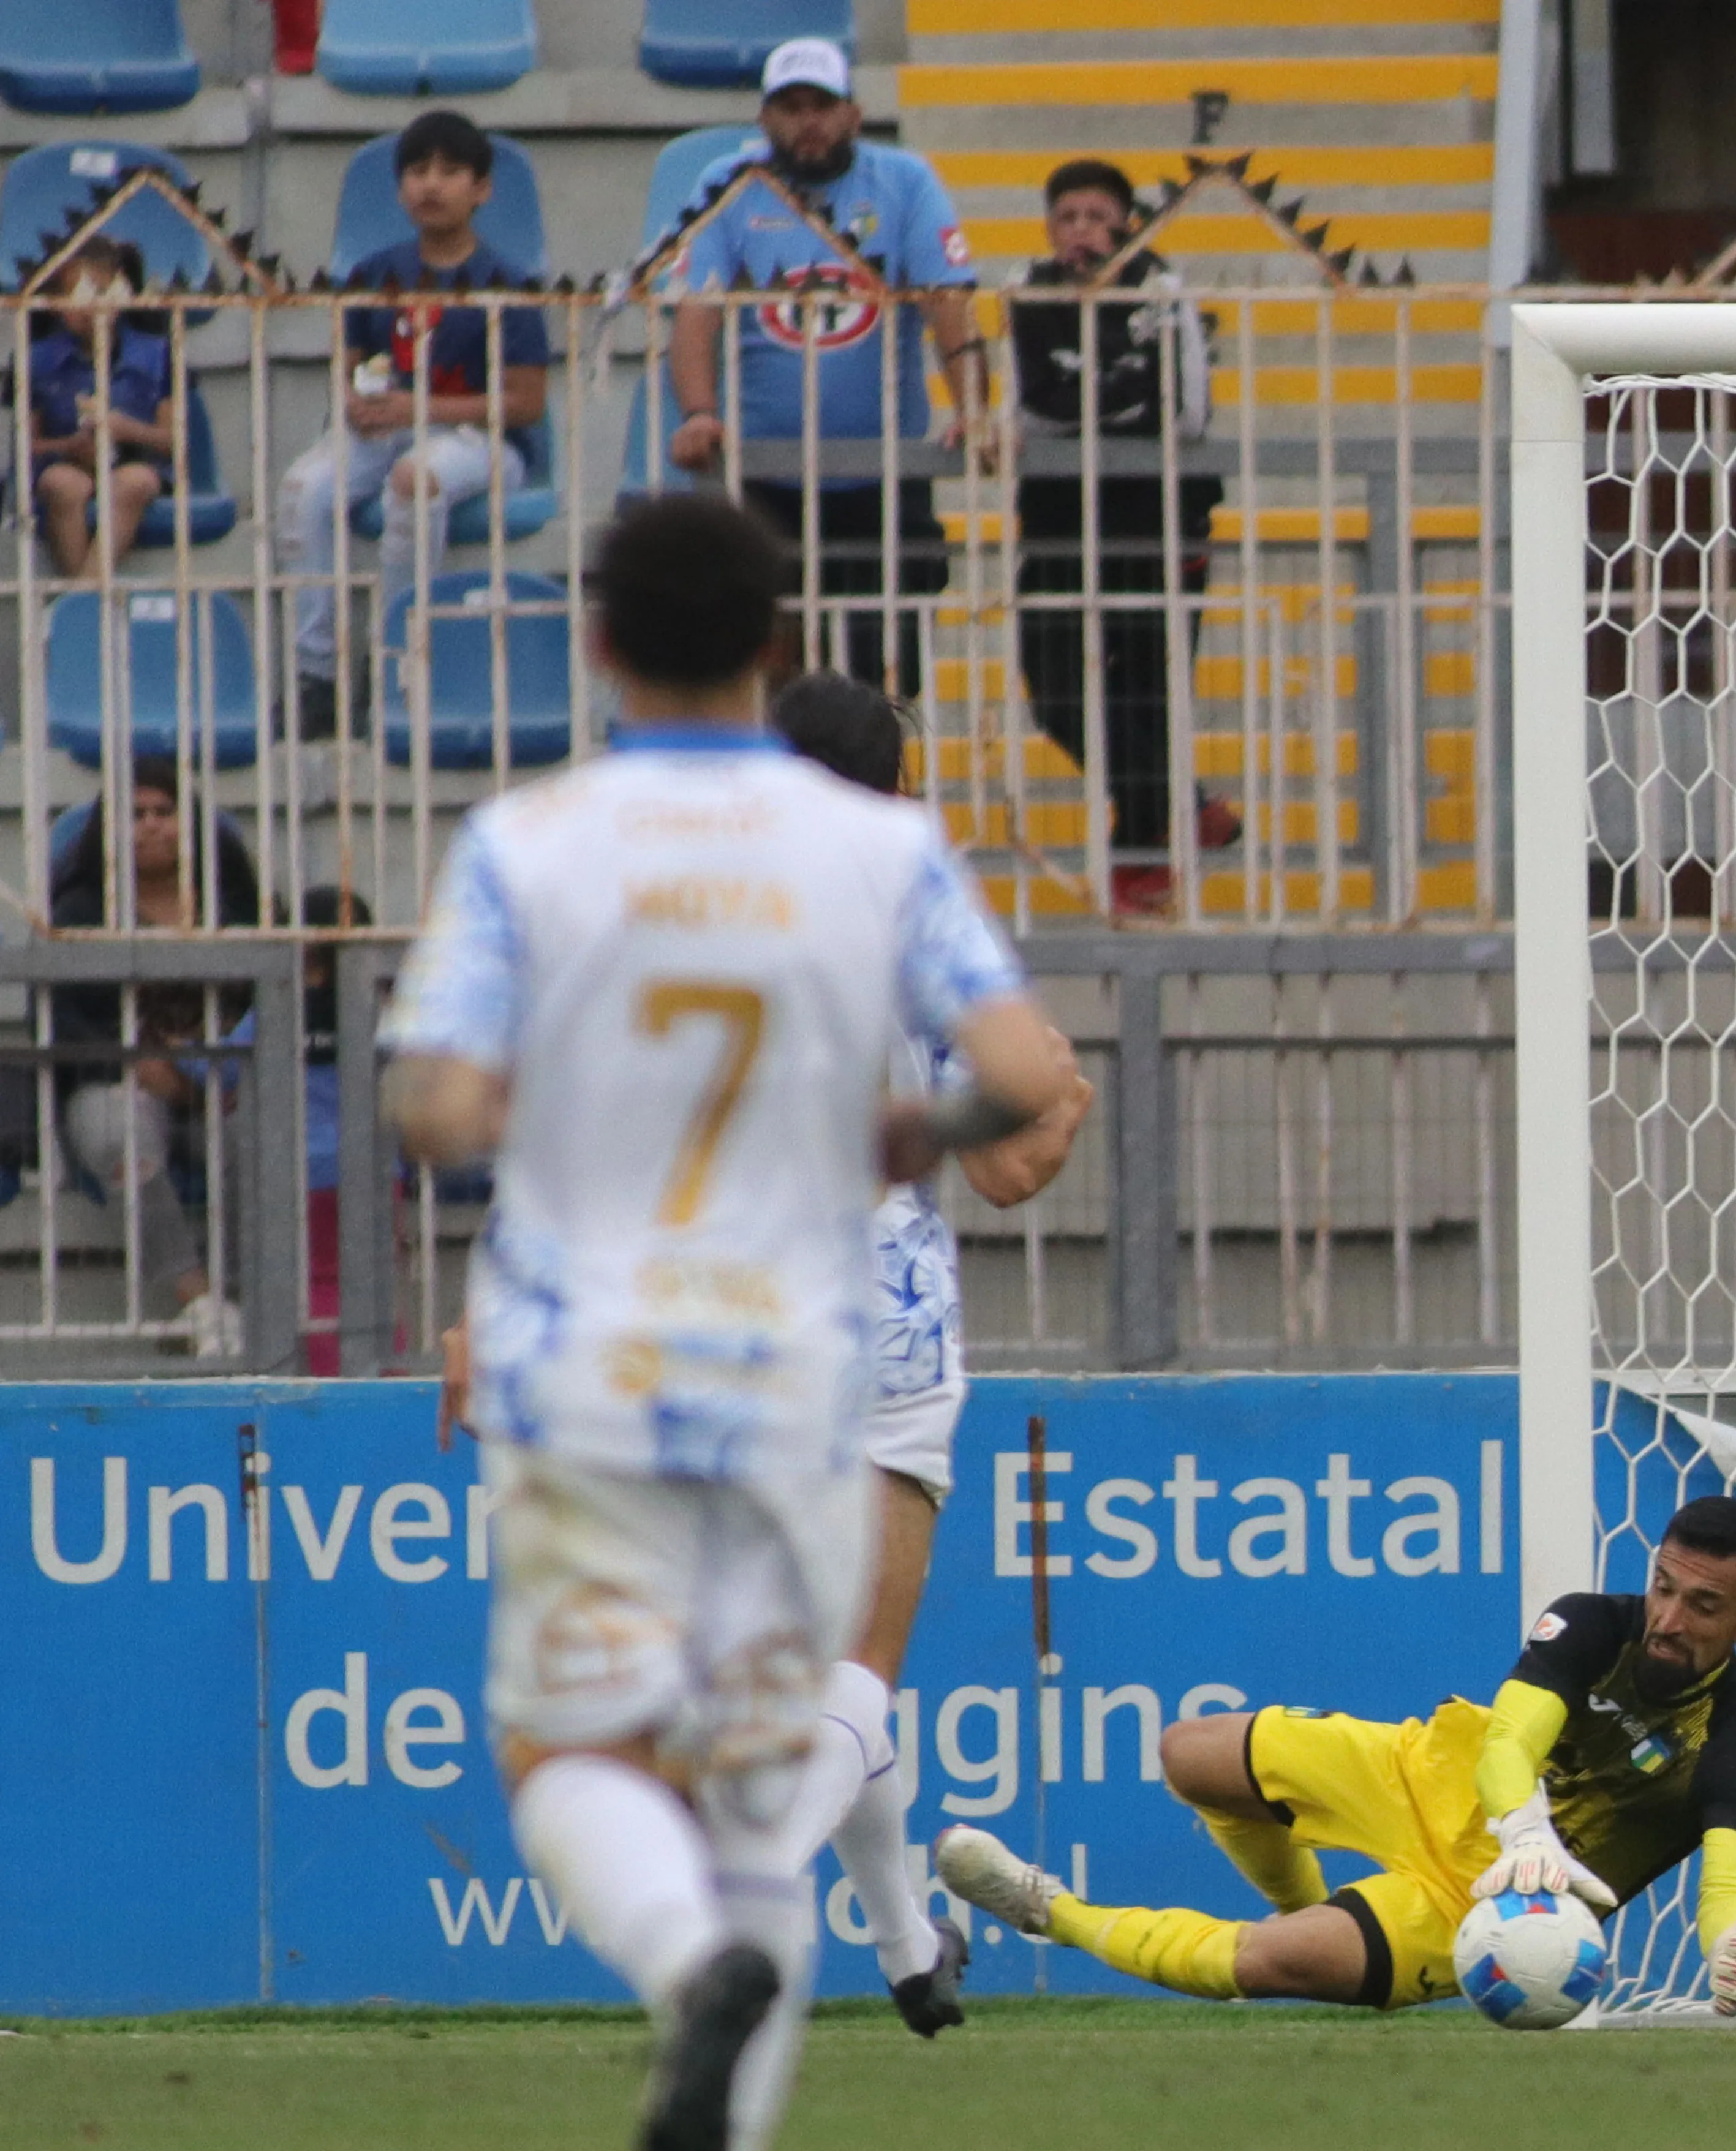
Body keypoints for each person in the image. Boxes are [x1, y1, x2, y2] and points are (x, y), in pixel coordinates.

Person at [381, 492, 1074, 2151]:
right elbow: (1019, 1075)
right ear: (772, 642)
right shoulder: (881, 852)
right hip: (799, 1363)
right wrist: (908, 1126)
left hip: (586, 1358)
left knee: (571, 1747)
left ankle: (682, 1965)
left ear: (597, 643)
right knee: (776, 1776)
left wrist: (559, 1133)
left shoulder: (528, 839)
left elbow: (437, 1105)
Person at [761, 670, 1093, 2033]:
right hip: (878, 1297)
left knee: (810, 1666)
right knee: (859, 1666)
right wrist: (1065, 1093)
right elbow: (1013, 1164)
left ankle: (908, 1946)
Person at [940, 1496, 1736, 2020]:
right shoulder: (1595, 1621)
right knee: (1188, 1754)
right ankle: (1306, 1902)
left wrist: (1734, 1944)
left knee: (1267, 1963)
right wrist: (1523, 1821)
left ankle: (1048, 1910)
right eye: (1664, 1588)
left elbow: (1727, 1886)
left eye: (1704, 1606)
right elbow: (1511, 1739)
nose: (1669, 1620)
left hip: (1476, 1901)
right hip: (1426, 1773)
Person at [665, 37, 987, 700]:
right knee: (768, 669)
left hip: (884, 473)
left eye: (822, 105)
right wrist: (699, 412)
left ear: (854, 115)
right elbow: (695, 311)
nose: (807, 121)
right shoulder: (730, 183)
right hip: (765, 474)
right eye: (790, 106)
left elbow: (947, 302)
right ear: (764, 119)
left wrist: (974, 409)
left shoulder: (904, 182)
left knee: (881, 678)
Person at [1008, 159, 1237, 924]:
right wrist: (1124, 395)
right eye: (1067, 216)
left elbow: (1186, 414)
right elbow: (1029, 414)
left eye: (1097, 217)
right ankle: (1191, 807)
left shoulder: (1165, 294)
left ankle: (1141, 867)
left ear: (1128, 227)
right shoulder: (1029, 294)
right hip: (1058, 526)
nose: (1081, 231)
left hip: (1159, 522)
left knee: (1145, 693)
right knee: (1054, 691)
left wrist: (1089, 398)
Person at [278, 109, 553, 744]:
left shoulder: (506, 282)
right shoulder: (375, 275)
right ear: (400, 188)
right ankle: (316, 673)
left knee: (414, 480)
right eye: (418, 171)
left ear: (482, 190)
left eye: (452, 171)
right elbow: (349, 370)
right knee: (304, 488)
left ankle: (395, 657)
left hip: (481, 442)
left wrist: (418, 410)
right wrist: (356, 403)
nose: (432, 185)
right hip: (392, 425)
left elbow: (526, 402)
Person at [48, 753, 264, 1358]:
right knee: (122, 1136)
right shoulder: (80, 912)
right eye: (135, 814)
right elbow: (66, 1021)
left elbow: (274, 999)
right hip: (122, 1078)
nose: (150, 825)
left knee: (263, 1133)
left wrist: (219, 1070)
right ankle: (201, 1306)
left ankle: (245, 1303)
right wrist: (136, 1062)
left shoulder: (240, 904)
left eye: (164, 811)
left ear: (188, 819)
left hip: (229, 1078)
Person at [25, 242, 175, 579]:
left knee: (133, 483)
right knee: (61, 484)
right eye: (74, 297)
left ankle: (81, 604)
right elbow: (28, 446)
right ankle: (91, 608)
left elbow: (174, 440)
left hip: (136, 464)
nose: (87, 309)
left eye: (101, 293)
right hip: (68, 464)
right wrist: (69, 447)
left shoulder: (157, 353)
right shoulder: (38, 360)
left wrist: (126, 429)